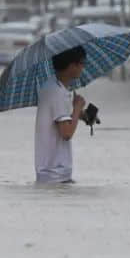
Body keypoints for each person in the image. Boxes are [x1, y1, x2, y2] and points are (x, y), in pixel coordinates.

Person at [35, 47, 87, 183]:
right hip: (56, 174)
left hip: (48, 173)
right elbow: (66, 133)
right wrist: (76, 108)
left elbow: (58, 118)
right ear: (71, 66)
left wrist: (80, 114)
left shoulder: (51, 86)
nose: (83, 67)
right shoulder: (58, 93)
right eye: (82, 63)